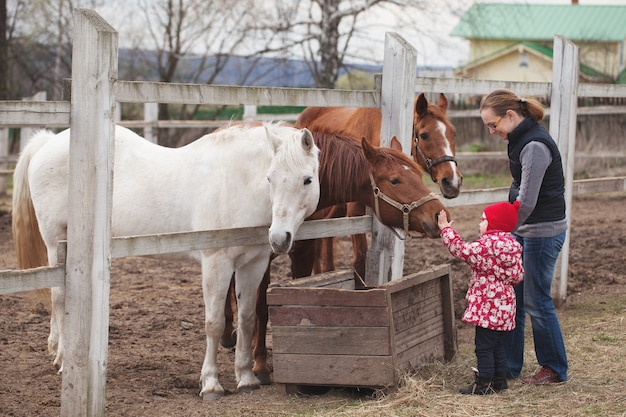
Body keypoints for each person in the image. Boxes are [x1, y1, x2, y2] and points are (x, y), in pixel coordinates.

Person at [479, 88, 569, 385]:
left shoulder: (534, 146)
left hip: (542, 232)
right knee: (513, 298)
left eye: (494, 125)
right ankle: (508, 365)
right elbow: (520, 189)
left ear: (511, 115)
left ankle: (554, 368)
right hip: (524, 229)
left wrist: (500, 233)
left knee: (535, 299)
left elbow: (527, 201)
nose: (492, 131)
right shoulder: (519, 140)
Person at [438, 202, 524, 395]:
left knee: (483, 347)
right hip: (506, 306)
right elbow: (519, 276)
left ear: (494, 223)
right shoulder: (514, 246)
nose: (480, 223)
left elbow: (461, 249)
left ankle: (484, 384)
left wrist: (445, 229)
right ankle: (500, 381)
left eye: (483, 219)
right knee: (497, 345)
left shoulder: (486, 246)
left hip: (488, 306)